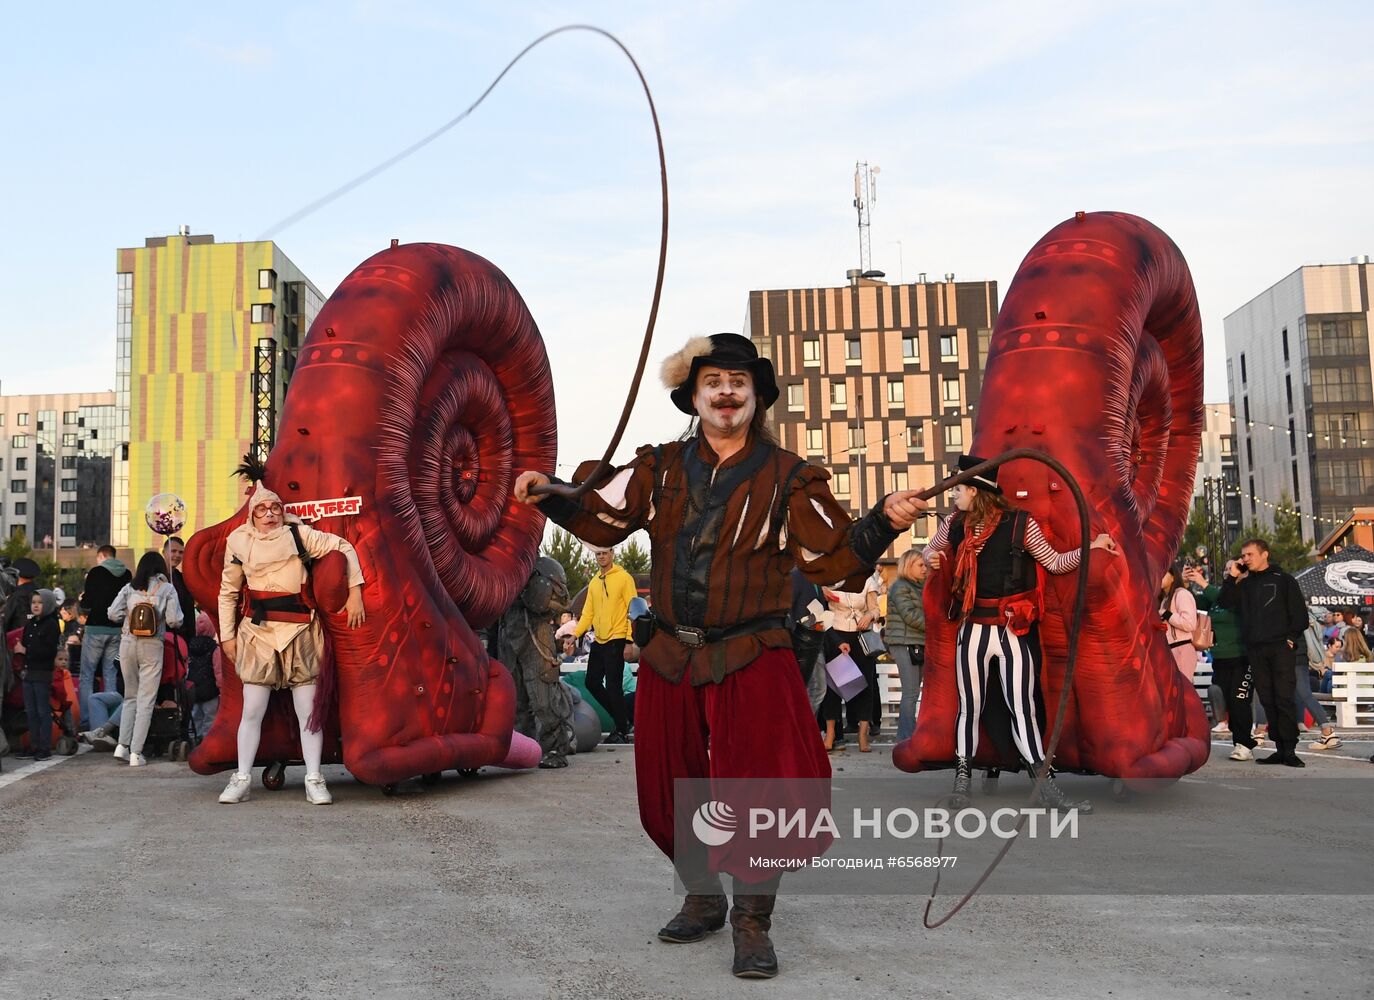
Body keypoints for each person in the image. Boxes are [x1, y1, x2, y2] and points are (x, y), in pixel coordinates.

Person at [514, 332, 923, 979]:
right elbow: (603, 517)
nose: (727, 390)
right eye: (714, 381)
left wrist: (883, 523)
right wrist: (552, 493)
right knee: (671, 786)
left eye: (740, 381)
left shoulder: (792, 478)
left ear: (757, 396)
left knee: (763, 788)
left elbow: (835, 558)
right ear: (695, 396)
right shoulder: (660, 468)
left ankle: (752, 922)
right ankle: (703, 896)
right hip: (671, 654)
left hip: (753, 654)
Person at [925, 454, 1117, 811]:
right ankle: (962, 781)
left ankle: (1043, 786)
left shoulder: (1020, 524)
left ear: (975, 491)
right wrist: (933, 560)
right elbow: (927, 552)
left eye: (958, 489)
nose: (953, 496)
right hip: (973, 628)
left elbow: (1055, 562)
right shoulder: (954, 524)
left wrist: (1091, 547)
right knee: (970, 707)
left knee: (1022, 708)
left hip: (1013, 628)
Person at [217, 480, 366, 806]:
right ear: (252, 514)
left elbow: (343, 547)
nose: (269, 514)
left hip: (301, 632)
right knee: (252, 710)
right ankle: (242, 778)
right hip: (258, 635)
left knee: (308, 713)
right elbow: (228, 591)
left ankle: (314, 778)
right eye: (262, 509)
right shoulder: (239, 541)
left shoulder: (299, 534)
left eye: (274, 508)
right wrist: (226, 636)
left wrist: (355, 591)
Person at [1218, 538, 1308, 767]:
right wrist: (1233, 575)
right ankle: (1279, 748)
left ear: (1264, 554)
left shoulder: (1284, 579)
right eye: (1243, 555)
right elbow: (1225, 602)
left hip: (1280, 648)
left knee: (1283, 697)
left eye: (1249, 554)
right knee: (1267, 699)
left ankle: (1289, 750)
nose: (1245, 558)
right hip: (1255, 650)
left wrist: (1289, 639)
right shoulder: (1245, 584)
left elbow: (1299, 614)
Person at [498, 557, 577, 769]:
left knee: (543, 696)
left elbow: (558, 599)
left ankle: (556, 748)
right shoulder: (499, 562)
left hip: (535, 631)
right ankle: (524, 748)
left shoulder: (538, 564)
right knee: (515, 698)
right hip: (508, 629)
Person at [107, 552, 183, 767]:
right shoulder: (166, 589)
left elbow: (112, 613)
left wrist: (128, 618)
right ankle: (136, 752)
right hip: (152, 645)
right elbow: (175, 620)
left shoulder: (129, 587)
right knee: (146, 700)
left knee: (130, 697)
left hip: (127, 643)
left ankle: (122, 746)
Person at [1186, 563, 1256, 760]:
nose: (1228, 571)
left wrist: (1202, 582)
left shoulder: (1243, 593)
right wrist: (1185, 582)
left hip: (1241, 657)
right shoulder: (1216, 597)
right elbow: (1192, 602)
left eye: (1233, 568)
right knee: (1227, 701)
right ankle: (1240, 738)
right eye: (1226, 568)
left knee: (1239, 700)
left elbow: (1224, 598)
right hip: (1220, 657)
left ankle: (1244, 744)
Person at [574, 545, 636, 744]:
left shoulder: (624, 578)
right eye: (598, 554)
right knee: (591, 681)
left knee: (613, 686)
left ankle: (621, 730)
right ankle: (623, 719)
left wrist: (629, 640)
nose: (601, 557)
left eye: (604, 553)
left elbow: (632, 609)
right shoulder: (594, 582)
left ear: (612, 554)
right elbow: (587, 614)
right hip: (599, 640)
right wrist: (574, 634)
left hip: (617, 638)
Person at [819, 582, 880, 752]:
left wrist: (869, 616)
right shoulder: (831, 577)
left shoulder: (867, 580)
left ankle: (863, 734)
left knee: (866, 685)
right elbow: (821, 609)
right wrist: (823, 589)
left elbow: (875, 609)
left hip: (861, 635)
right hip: (835, 633)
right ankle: (830, 733)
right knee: (833, 687)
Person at [78, 546, 131, 728]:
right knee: (111, 674)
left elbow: (88, 602)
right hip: (117, 630)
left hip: (95, 629)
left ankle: (87, 720)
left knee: (87, 675)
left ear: (101, 556)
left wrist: (81, 600)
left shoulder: (95, 572)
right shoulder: (127, 574)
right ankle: (110, 723)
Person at [12, 589, 62, 760]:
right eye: (33, 602)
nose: (35, 605)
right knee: (31, 712)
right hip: (28, 673)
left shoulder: (51, 625)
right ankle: (34, 745)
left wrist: (25, 650)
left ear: (47, 604)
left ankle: (44, 747)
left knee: (42, 711)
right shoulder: (30, 624)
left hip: (42, 673)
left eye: (39, 602)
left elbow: (48, 651)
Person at [885, 549, 928, 744]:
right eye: (920, 565)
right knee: (910, 693)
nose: (924, 569)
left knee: (914, 692)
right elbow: (910, 615)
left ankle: (910, 735)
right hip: (904, 643)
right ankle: (906, 739)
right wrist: (936, 625)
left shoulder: (919, 586)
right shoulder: (900, 587)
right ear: (907, 566)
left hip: (916, 642)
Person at [1299, 610, 1342, 751]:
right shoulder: (1308, 615)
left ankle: (1259, 733)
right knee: (1303, 692)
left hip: (1288, 654)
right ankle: (1326, 731)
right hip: (1302, 655)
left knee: (1265, 691)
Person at [1159, 561, 1199, 681]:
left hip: (1182, 649)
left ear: (1173, 577)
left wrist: (1166, 614)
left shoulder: (1182, 594)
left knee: (1182, 690)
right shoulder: (1165, 599)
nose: (1158, 577)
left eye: (1163, 574)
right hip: (1170, 650)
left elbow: (1189, 624)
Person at [162, 535, 197, 644]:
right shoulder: (156, 578)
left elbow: (188, 610)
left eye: (181, 552)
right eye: (173, 551)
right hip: (161, 637)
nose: (177, 555)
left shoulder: (182, 578)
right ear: (164, 552)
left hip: (181, 637)